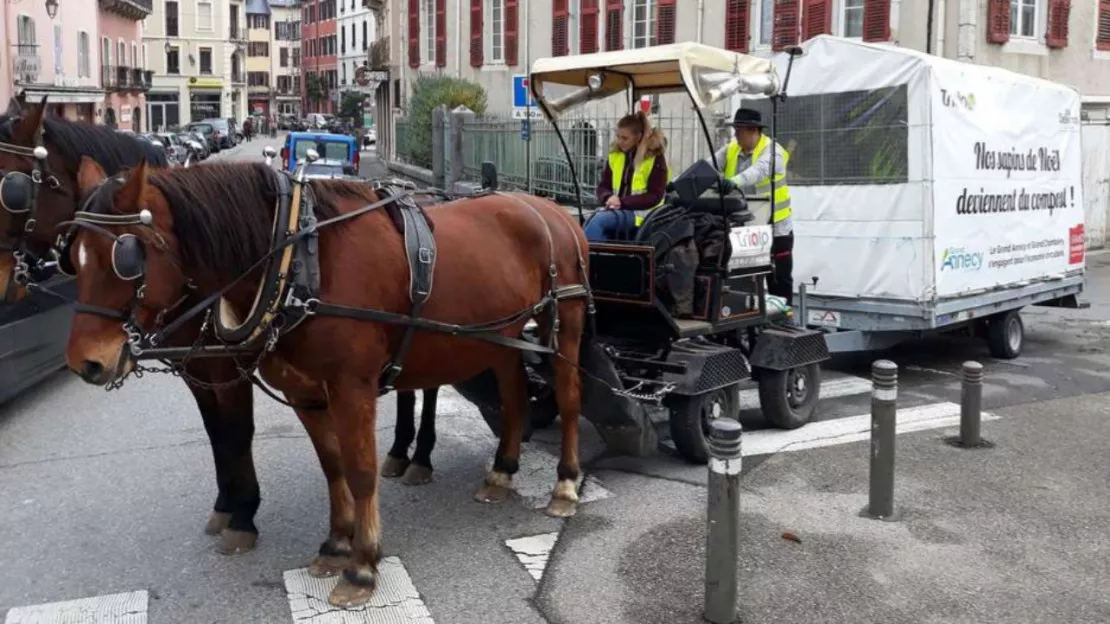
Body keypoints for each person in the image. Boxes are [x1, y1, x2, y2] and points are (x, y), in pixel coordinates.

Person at [714, 107, 794, 305]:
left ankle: (783, 318)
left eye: (739, 130)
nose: (735, 135)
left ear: (753, 131)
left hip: (776, 228)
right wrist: (683, 181)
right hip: (748, 228)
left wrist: (734, 182)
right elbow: (710, 164)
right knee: (744, 279)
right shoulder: (732, 148)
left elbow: (758, 171)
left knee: (778, 278)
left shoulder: (774, 152)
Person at [587, 111, 670, 242]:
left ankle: (591, 260)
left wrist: (622, 202)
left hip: (642, 215)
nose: (620, 141)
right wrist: (608, 197)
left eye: (625, 138)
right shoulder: (615, 155)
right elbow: (603, 186)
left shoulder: (655, 158)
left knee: (599, 221)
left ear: (638, 137)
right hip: (617, 209)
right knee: (589, 220)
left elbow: (655, 196)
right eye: (618, 137)